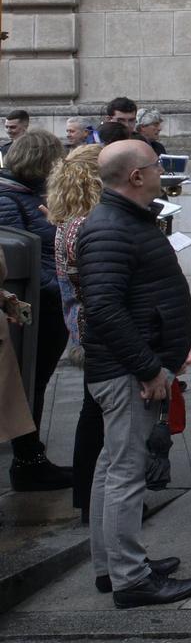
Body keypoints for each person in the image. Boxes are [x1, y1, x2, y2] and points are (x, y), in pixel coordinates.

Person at [77, 141, 191, 606]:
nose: (161, 173)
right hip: (128, 373)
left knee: (112, 468)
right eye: (156, 166)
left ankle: (113, 567)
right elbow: (105, 309)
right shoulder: (110, 227)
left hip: (132, 368)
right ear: (134, 177)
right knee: (126, 473)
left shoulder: (124, 220)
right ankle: (130, 579)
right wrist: (149, 367)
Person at [0, 129, 70, 491]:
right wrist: (64, 287)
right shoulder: (7, 197)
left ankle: (32, 457)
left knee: (35, 383)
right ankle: (28, 462)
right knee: (27, 384)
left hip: (47, 302)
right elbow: (18, 259)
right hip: (34, 306)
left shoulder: (30, 193)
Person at [48, 145, 103, 517]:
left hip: (87, 328)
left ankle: (89, 498)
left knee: (94, 412)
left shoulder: (71, 219)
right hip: (97, 332)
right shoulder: (85, 225)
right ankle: (90, 500)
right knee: (97, 417)